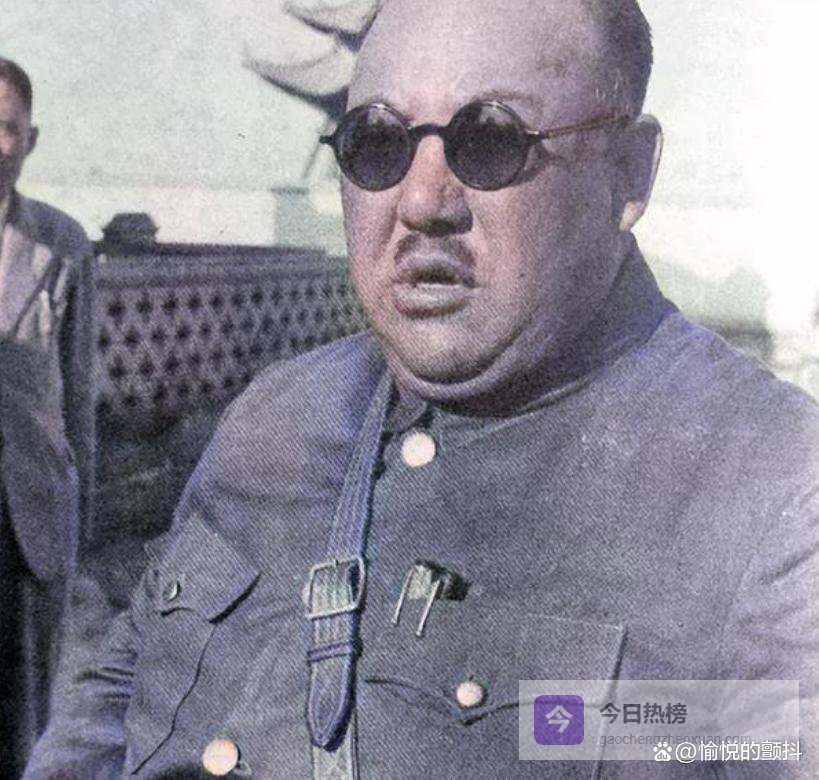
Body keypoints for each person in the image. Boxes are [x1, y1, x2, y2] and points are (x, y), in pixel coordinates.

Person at [26, 0, 818, 777]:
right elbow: (125, 674)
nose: (421, 202)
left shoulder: (773, 493)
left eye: (491, 140)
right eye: (377, 143)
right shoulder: (279, 415)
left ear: (628, 172)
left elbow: (766, 738)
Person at [0, 57, 94, 777]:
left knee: (23, 722)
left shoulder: (62, 244)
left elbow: (79, 401)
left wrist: (75, 533)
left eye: (6, 127)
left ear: (31, 139)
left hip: (26, 519)